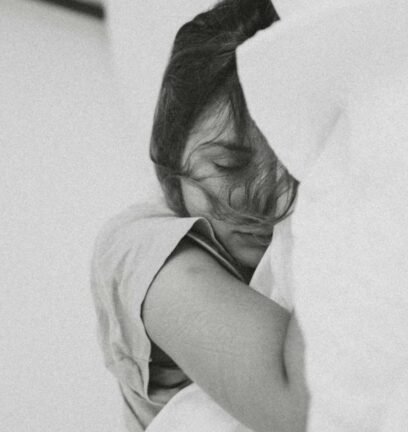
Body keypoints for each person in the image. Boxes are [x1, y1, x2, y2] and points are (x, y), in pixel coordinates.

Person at [90, 1, 308, 431]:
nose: (260, 199)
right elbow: (298, 407)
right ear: (172, 152)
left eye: (292, 166)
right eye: (228, 164)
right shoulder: (136, 249)